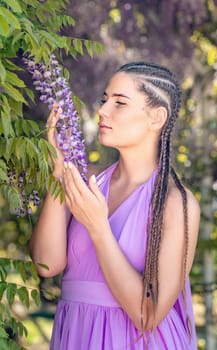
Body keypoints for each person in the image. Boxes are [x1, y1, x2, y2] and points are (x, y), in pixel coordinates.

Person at [30, 62, 200, 349]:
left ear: (156, 117)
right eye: (104, 99)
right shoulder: (87, 179)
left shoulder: (175, 203)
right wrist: (58, 175)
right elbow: (46, 264)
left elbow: (148, 316)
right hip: (76, 335)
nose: (103, 111)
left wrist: (98, 227)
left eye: (120, 102)